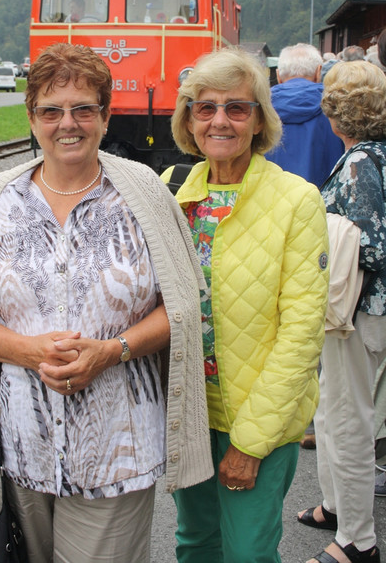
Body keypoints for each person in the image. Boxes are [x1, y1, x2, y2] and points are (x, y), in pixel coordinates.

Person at [0, 42, 213, 563]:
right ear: (32, 118)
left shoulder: (143, 194)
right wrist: (27, 350)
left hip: (117, 450)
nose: (68, 123)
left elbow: (183, 306)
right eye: (51, 110)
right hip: (12, 447)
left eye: (84, 108)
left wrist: (112, 350)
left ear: (105, 116)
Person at [162, 48, 329, 563]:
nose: (220, 120)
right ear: (188, 120)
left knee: (247, 554)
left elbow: (302, 334)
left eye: (238, 108)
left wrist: (251, 442)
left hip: (259, 420)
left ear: (259, 121)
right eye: (204, 107)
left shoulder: (297, 201)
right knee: (194, 545)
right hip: (189, 417)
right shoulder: (172, 195)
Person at [298, 61, 386, 563]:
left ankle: (358, 541)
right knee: (331, 404)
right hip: (363, 309)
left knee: (350, 420)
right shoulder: (373, 155)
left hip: (360, 308)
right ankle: (335, 506)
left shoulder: (358, 163)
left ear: (336, 116)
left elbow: (372, 246)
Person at [267, 43, 343, 187]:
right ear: (318, 72)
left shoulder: (258, 109)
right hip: (323, 202)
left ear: (278, 75)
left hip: (270, 202)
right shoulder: (336, 107)